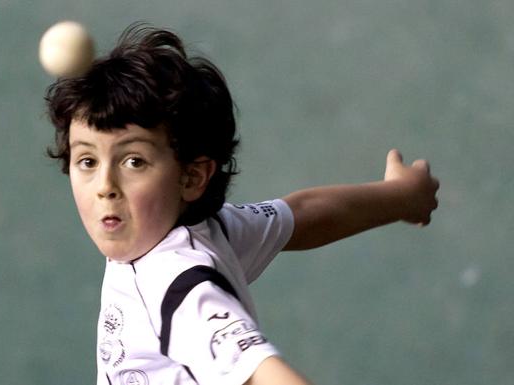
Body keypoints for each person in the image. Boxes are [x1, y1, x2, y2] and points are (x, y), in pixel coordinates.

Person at [44, 23, 439, 385]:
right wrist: (402, 196)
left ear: (192, 177)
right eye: (87, 161)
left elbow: (266, 375)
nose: (105, 186)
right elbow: (298, 216)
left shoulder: (180, 288)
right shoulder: (211, 232)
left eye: (134, 161)